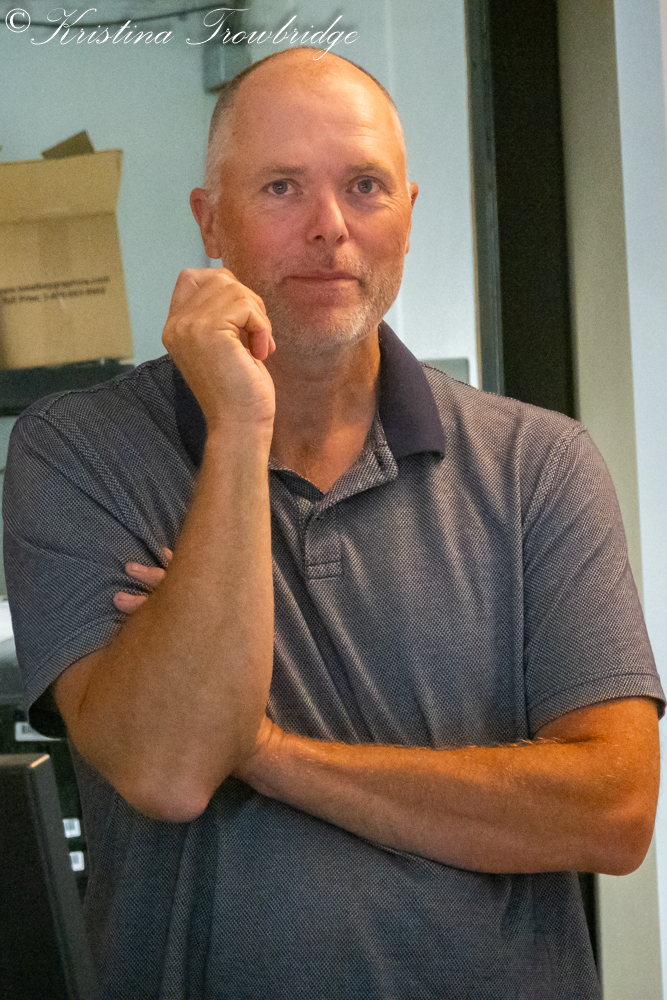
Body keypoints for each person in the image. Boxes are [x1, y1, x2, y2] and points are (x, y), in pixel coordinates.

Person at [3, 46, 664, 1000]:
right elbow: (171, 769)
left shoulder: (536, 464)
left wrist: (266, 750)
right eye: (281, 187)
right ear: (209, 220)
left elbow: (611, 811)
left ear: (407, 213)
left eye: (365, 186)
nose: (330, 227)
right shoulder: (81, 450)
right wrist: (238, 425)